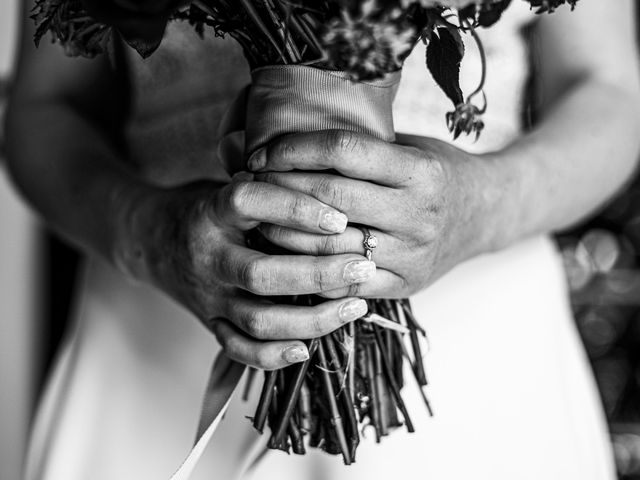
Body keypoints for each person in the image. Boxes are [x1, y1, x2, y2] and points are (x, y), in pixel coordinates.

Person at [5, 0, 640, 478]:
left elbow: (608, 88)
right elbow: (45, 106)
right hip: (161, 318)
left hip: (479, 337)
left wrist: (482, 206)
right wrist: (146, 234)